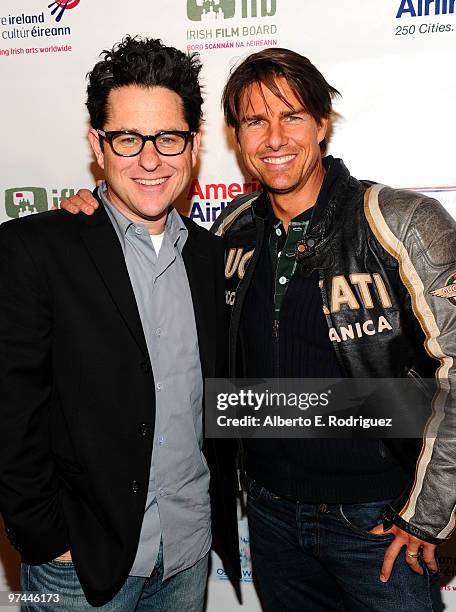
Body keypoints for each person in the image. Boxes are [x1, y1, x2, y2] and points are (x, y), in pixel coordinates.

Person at [60, 47, 456, 611]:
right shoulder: (230, 232)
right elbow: (142, 233)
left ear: (322, 124)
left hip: (377, 522)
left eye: (291, 115)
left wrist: (428, 516)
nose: (274, 138)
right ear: (233, 137)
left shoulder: (396, 221)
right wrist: (95, 216)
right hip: (269, 519)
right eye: (254, 120)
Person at [0, 36, 239, 611]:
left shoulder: (215, 258)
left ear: (195, 144)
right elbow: (9, 409)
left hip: (187, 554)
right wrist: (46, 539)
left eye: (168, 138)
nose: (150, 159)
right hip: (78, 568)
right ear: (98, 145)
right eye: (128, 138)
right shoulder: (36, 249)